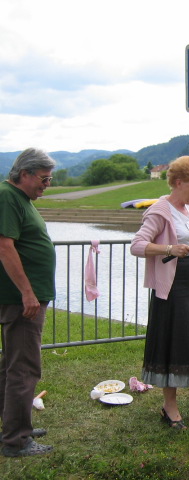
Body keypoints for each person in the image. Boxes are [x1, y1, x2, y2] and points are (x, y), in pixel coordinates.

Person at [130, 156, 189, 430]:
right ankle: (169, 407)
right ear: (179, 182)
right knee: (174, 343)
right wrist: (169, 249)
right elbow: (137, 245)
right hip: (171, 289)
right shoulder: (160, 210)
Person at [0, 148, 56, 457]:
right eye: (44, 179)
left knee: (12, 365)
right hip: (22, 301)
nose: (47, 185)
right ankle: (17, 440)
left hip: (25, 297)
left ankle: (12, 425)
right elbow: (4, 247)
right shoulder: (8, 197)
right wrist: (27, 292)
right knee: (24, 368)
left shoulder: (19, 198)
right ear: (25, 174)